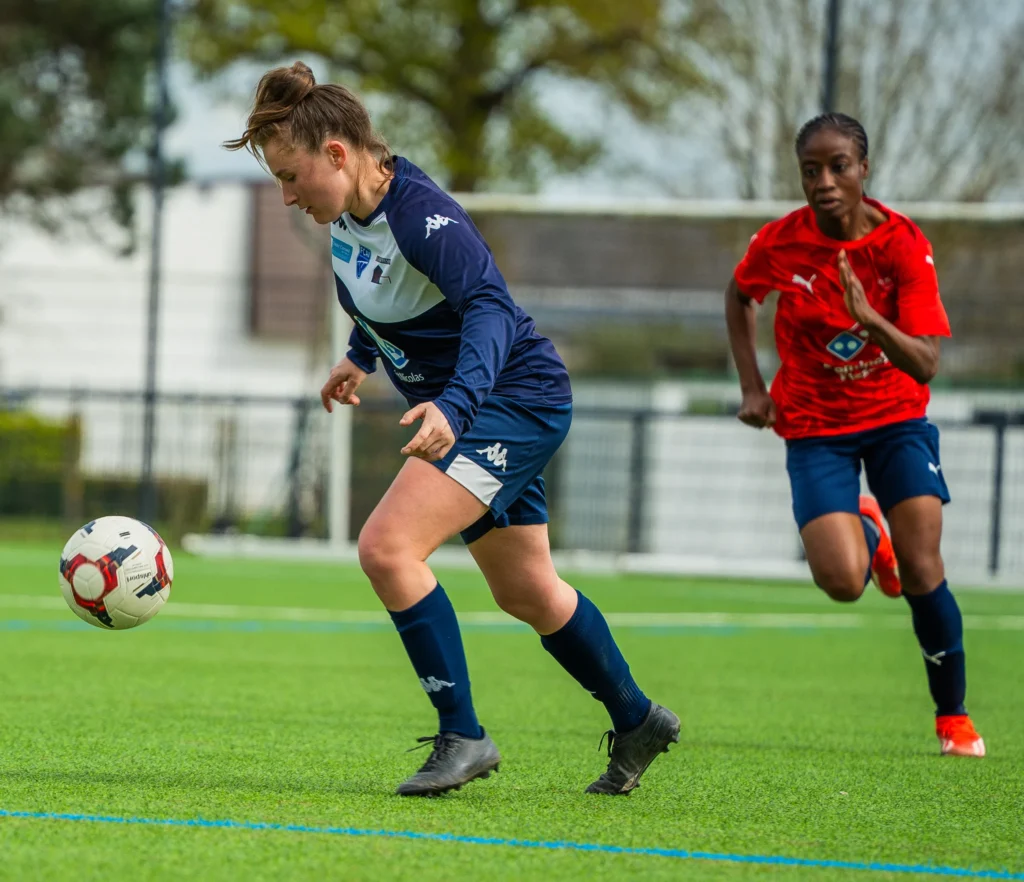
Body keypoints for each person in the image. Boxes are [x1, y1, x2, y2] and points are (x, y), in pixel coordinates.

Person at [225, 62, 680, 796]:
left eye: (290, 176)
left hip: (513, 400)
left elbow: (489, 307)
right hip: (485, 405)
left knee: (386, 548)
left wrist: (456, 407)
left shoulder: (423, 216)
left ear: (336, 154)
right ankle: (638, 719)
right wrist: (360, 357)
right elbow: (387, 296)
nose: (286, 195)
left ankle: (463, 734)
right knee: (527, 590)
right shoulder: (346, 219)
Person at [724, 112, 984, 758]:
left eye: (838, 166)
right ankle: (869, 530)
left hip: (897, 417)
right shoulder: (781, 243)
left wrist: (870, 320)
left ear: (864, 169)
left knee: (923, 567)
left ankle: (953, 718)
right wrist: (753, 387)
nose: (824, 182)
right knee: (842, 581)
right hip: (815, 424)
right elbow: (740, 294)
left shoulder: (902, 245)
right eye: (810, 170)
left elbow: (926, 362)